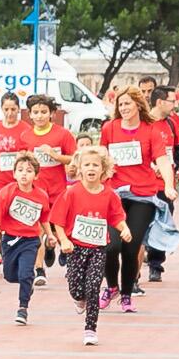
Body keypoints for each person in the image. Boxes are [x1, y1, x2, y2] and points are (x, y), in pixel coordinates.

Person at [97, 87, 174, 313]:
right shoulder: (109, 129)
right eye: (120, 105)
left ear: (139, 105)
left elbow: (162, 161)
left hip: (142, 196)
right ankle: (111, 287)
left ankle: (127, 294)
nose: (124, 108)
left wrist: (168, 185)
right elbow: (100, 157)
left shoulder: (150, 131)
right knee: (111, 246)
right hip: (114, 196)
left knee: (131, 249)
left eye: (128, 104)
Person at [49, 146, 130, 346]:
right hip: (75, 248)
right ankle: (79, 299)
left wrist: (124, 229)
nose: (91, 168)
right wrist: (64, 240)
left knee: (93, 286)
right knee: (76, 289)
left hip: (97, 248)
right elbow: (58, 220)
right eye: (87, 165)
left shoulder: (110, 194)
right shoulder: (72, 193)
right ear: (79, 168)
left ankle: (90, 329)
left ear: (103, 169)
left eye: (95, 165)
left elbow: (116, 216)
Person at [17, 93, 78, 289]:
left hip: (58, 191)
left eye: (44, 112)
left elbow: (75, 158)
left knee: (60, 226)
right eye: (36, 112)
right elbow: (21, 161)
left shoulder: (62, 134)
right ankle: (39, 269)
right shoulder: (25, 136)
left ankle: (56, 248)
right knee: (36, 229)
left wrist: (54, 155)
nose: (40, 116)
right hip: (35, 192)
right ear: (30, 115)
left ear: (52, 114)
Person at [0, 152, 52, 324]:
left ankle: (23, 308)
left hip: (30, 241)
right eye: (20, 170)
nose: (24, 173)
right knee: (9, 275)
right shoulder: (5, 193)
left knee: (25, 273)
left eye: (29, 171)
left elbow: (44, 217)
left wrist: (50, 235)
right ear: (14, 173)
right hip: (10, 240)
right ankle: (27, 282)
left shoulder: (41, 195)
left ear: (36, 175)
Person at [143, 87, 179, 282]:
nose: (175, 105)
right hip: (143, 184)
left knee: (162, 224)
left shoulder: (171, 123)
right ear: (160, 102)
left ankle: (155, 265)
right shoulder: (143, 123)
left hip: (165, 186)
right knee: (140, 225)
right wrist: (151, 166)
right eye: (172, 101)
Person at [0, 90, 29, 198]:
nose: (9, 113)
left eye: (13, 109)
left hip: (18, 181)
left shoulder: (26, 129)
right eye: (6, 109)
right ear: (1, 109)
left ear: (18, 109)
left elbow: (29, 155)